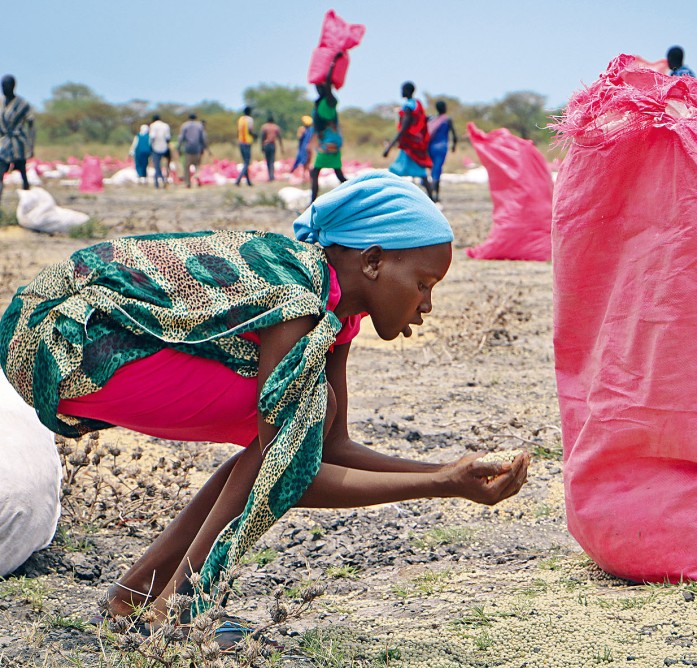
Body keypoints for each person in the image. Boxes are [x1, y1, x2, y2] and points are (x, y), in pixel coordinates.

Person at [0, 170, 530, 645]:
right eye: (423, 284)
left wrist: (446, 472)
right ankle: (180, 610)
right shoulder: (299, 295)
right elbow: (290, 470)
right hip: (60, 340)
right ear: (371, 261)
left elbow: (330, 447)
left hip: (86, 343)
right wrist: (439, 485)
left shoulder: (336, 312)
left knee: (300, 420)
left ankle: (137, 596)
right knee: (296, 420)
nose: (427, 305)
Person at [383, 82, 433, 198]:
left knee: (394, 171)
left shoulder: (408, 107)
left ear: (408, 91)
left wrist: (389, 147)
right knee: (421, 173)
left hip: (409, 146)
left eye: (403, 90)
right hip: (415, 144)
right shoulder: (417, 104)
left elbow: (404, 128)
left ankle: (390, 197)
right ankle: (432, 199)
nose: (401, 92)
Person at [311, 53, 348, 203]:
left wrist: (333, 62)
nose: (318, 89)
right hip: (328, 139)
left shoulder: (331, 100)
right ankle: (355, 193)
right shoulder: (321, 103)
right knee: (337, 173)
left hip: (331, 140)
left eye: (321, 87)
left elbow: (327, 83)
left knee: (316, 172)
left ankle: (312, 202)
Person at [0, 74, 35, 207]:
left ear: (13, 87)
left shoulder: (22, 104)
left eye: (6, 86)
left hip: (17, 143)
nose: (4, 89)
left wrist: (31, 145)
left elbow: (31, 123)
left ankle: (28, 202)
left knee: (22, 173)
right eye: (2, 86)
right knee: (0, 171)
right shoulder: (0, 103)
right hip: (4, 143)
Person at [426, 100, 457, 203]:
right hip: (442, 148)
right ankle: (433, 195)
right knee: (437, 170)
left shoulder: (432, 120)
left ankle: (433, 195)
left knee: (433, 170)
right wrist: (454, 146)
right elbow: (454, 136)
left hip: (430, 148)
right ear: (445, 108)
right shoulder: (447, 120)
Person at [178, 113, 207, 188]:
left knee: (187, 166)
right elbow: (202, 138)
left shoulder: (185, 125)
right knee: (197, 164)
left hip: (188, 148)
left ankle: (188, 183)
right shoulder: (199, 126)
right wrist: (203, 147)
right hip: (197, 148)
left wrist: (179, 147)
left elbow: (181, 138)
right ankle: (197, 176)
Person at [149, 114, 172, 189]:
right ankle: (163, 181)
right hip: (165, 147)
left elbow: (152, 137)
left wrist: (150, 146)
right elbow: (168, 138)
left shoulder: (153, 125)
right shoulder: (165, 125)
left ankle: (158, 182)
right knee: (166, 165)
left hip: (156, 148)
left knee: (157, 166)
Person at [235, 106, 256, 187]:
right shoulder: (250, 119)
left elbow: (238, 131)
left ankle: (248, 181)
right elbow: (250, 130)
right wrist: (254, 136)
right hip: (247, 142)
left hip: (241, 142)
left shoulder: (240, 119)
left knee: (245, 162)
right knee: (247, 162)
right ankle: (238, 179)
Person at [259, 114, 284, 182]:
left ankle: (270, 176)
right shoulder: (276, 127)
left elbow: (262, 137)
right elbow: (279, 138)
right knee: (272, 161)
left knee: (268, 161)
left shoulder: (264, 127)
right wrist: (281, 147)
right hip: (272, 145)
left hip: (266, 145)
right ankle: (271, 176)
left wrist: (262, 146)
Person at [291, 115, 314, 183]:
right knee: (307, 163)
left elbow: (299, 137)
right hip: (309, 148)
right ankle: (307, 177)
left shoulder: (303, 129)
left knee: (303, 162)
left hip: (304, 148)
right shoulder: (311, 130)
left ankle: (304, 177)